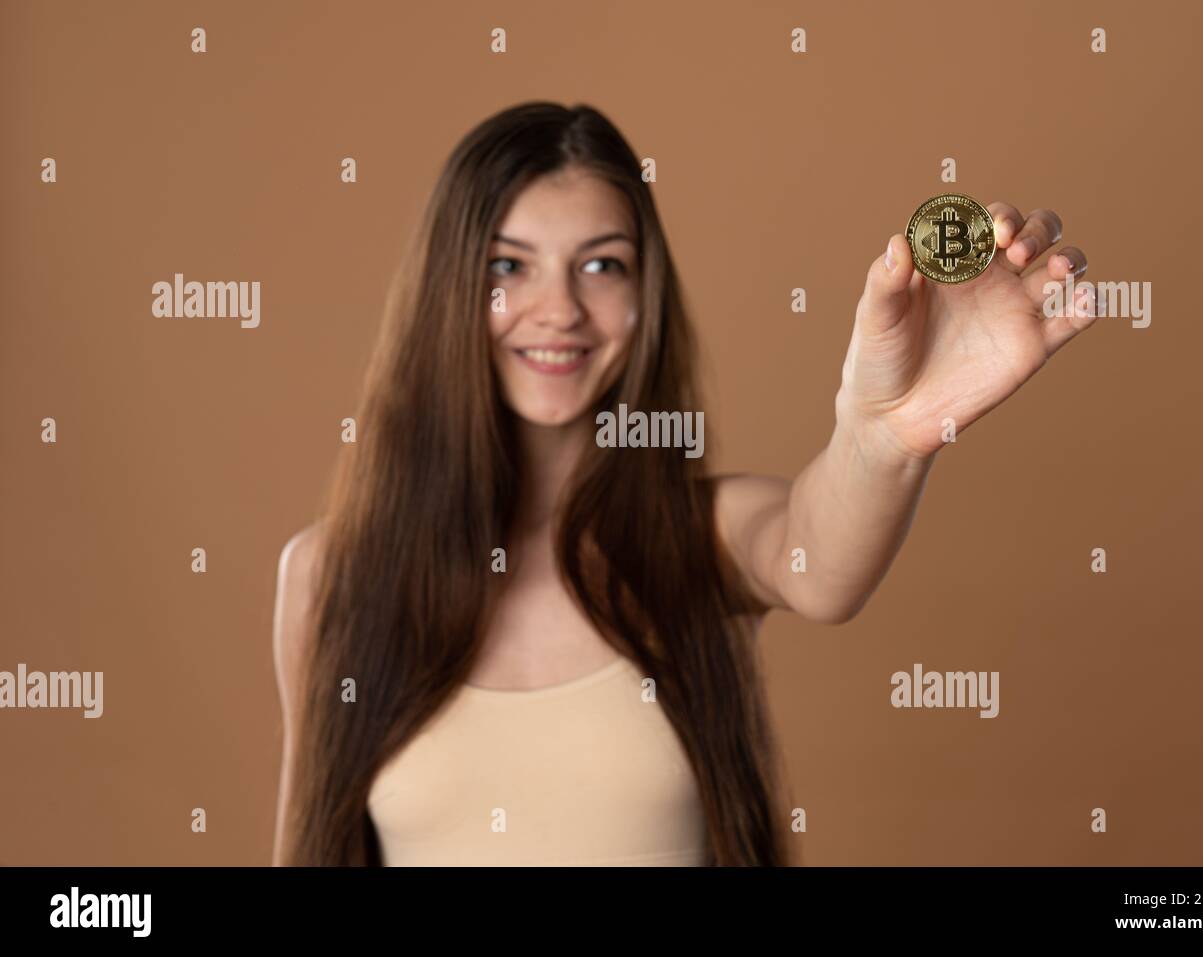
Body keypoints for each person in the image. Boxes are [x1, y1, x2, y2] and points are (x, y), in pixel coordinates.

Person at [271, 101, 1094, 866]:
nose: (557, 309)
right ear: (448, 289)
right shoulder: (327, 577)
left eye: (601, 264)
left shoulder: (704, 537)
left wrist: (884, 435)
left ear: (646, 292)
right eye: (508, 267)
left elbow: (823, 563)